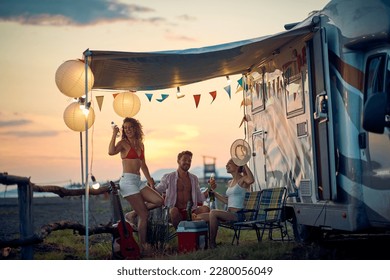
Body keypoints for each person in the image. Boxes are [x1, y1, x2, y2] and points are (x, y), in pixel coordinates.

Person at [108, 117, 164, 254]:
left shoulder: (140, 144)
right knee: (144, 215)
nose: (128, 130)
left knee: (159, 201)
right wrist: (114, 134)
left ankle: (132, 215)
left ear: (136, 128)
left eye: (130, 127)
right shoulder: (123, 143)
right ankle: (143, 245)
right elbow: (111, 152)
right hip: (127, 182)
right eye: (125, 128)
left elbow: (143, 164)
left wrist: (150, 181)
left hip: (138, 181)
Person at [196, 159, 254, 248]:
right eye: (226, 164)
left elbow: (251, 180)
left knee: (213, 213)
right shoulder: (230, 182)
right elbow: (227, 201)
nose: (226, 165)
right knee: (199, 217)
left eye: (229, 164)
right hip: (228, 213)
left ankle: (212, 243)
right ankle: (201, 243)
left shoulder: (243, 180)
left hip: (238, 215)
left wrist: (244, 163)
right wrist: (214, 193)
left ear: (237, 166)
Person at [154, 150, 212, 228]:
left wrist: (210, 187)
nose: (187, 162)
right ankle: (182, 235)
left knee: (206, 209)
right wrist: (150, 187)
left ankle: (198, 235)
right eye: (184, 160)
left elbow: (199, 198)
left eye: (189, 161)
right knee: (173, 210)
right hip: (175, 213)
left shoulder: (194, 179)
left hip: (191, 212)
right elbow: (158, 190)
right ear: (178, 161)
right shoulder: (169, 177)